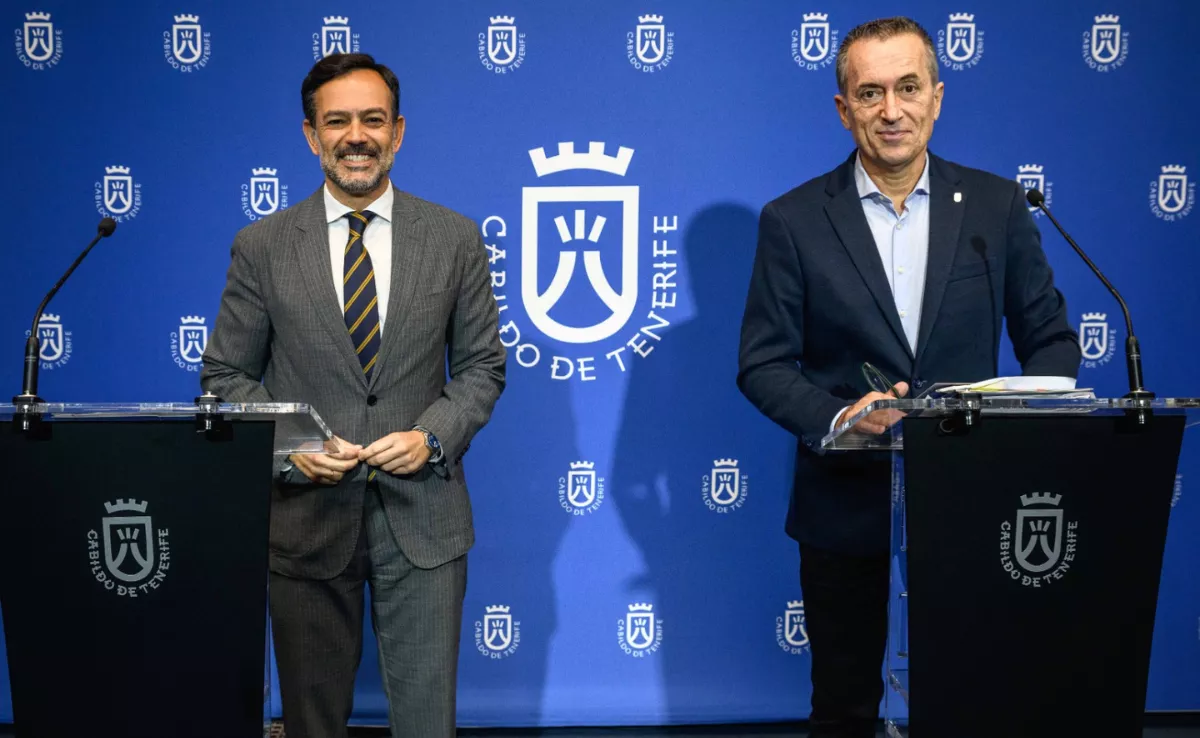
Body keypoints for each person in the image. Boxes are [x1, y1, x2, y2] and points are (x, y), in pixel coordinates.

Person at [736, 17, 1079, 738]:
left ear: (938, 97)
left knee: (973, 697)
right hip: (845, 504)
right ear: (843, 108)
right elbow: (763, 363)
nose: (892, 110)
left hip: (972, 496)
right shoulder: (793, 221)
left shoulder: (997, 208)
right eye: (870, 92)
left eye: (908, 88)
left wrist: (1011, 429)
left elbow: (1050, 341)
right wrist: (838, 417)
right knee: (844, 707)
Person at [201, 53, 506, 738]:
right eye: (336, 121)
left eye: (372, 120)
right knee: (312, 726)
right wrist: (295, 448)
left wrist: (432, 436)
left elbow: (483, 366)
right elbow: (224, 378)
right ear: (311, 136)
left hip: (423, 518)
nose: (356, 136)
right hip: (304, 520)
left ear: (398, 133)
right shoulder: (263, 245)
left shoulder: (455, 238)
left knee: (428, 724)